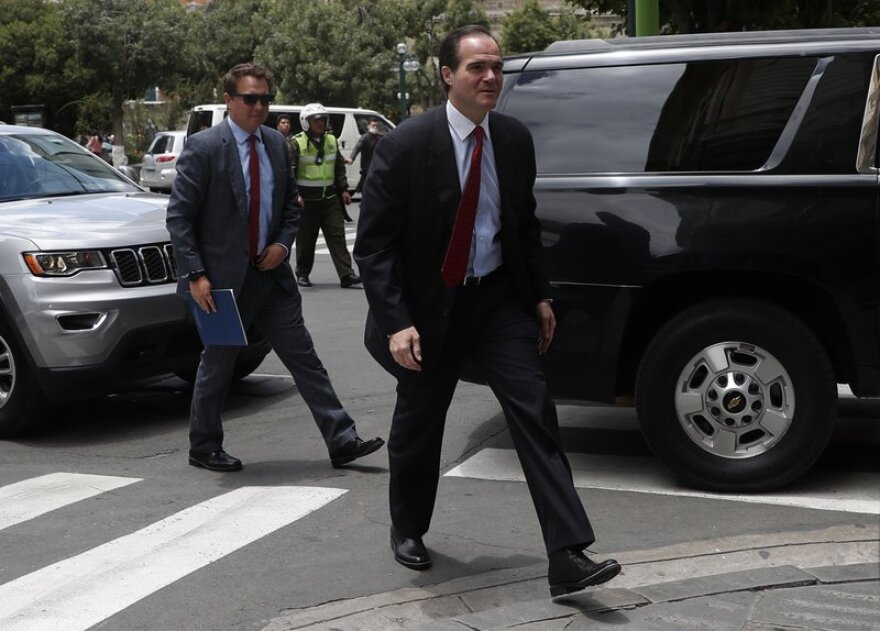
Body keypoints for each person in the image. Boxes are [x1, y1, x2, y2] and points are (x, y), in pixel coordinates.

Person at [354, 25, 620, 599]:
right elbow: (374, 247)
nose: (491, 77)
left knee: (535, 414)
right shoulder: (406, 145)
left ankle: (568, 555)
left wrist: (540, 295)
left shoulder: (514, 140)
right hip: (429, 310)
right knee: (420, 424)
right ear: (448, 75)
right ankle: (408, 526)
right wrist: (399, 321)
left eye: (496, 67)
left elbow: (522, 228)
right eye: (477, 68)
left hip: (498, 301)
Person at [166, 62, 383, 473]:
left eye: (265, 98)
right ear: (229, 100)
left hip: (271, 278)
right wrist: (195, 274)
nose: (259, 106)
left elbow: (289, 207)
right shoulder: (204, 147)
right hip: (221, 284)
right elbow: (179, 218)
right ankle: (204, 445)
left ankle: (342, 439)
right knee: (219, 363)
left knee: (304, 358)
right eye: (250, 98)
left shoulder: (277, 146)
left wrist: (283, 245)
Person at [290, 103, 360, 288]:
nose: (320, 123)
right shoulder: (297, 143)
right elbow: (289, 173)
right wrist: (295, 195)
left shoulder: (331, 140)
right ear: (306, 122)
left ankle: (347, 275)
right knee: (306, 239)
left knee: (337, 236)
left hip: (329, 199)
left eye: (323, 120)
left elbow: (338, 167)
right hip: (306, 201)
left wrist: (344, 189)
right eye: (316, 120)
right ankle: (302, 274)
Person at [349, 118, 383, 196]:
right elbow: (357, 148)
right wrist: (351, 158)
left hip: (377, 168)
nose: (375, 127)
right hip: (367, 168)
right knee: (366, 190)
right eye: (373, 125)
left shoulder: (381, 137)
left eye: (377, 126)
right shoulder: (364, 138)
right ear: (368, 126)